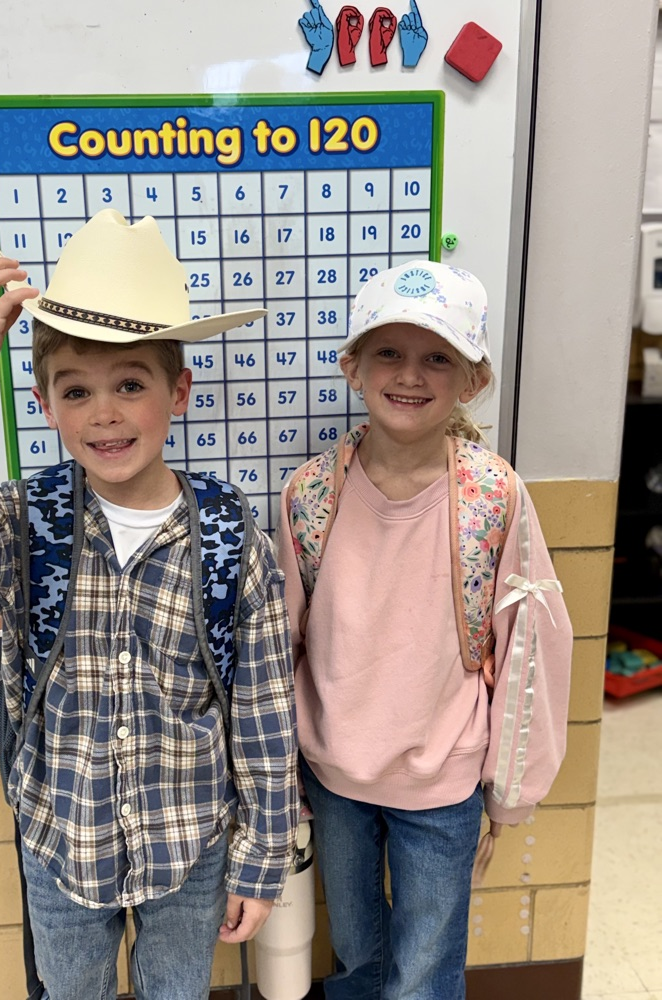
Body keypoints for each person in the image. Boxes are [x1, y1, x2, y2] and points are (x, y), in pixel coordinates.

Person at [0, 209, 299, 1000]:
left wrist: (261, 859)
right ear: (47, 406)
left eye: (131, 384)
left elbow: (263, 706)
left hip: (189, 845)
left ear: (178, 391)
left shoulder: (228, 532)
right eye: (76, 390)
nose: (105, 413)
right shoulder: (27, 521)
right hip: (63, 840)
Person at [277, 260, 572, 1000]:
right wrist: (276, 774)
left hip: (444, 784)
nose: (410, 375)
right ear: (353, 366)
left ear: (471, 379)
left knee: (424, 972)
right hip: (336, 775)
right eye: (389, 352)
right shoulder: (311, 494)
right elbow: (281, 642)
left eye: (437, 356)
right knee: (358, 957)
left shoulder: (493, 497)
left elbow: (529, 648)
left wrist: (508, 792)